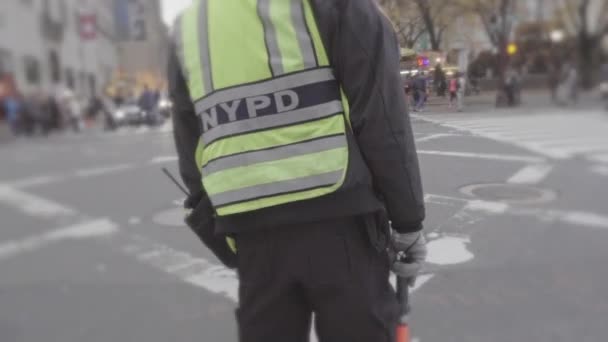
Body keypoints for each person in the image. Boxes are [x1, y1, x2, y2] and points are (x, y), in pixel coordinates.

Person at [168, 1, 427, 341]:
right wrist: (408, 221)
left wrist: (222, 228)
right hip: (340, 222)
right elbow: (382, 118)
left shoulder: (191, 25)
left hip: (252, 233)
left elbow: (191, 144)